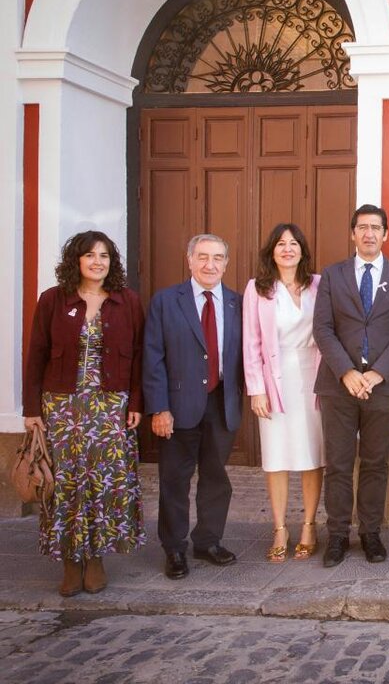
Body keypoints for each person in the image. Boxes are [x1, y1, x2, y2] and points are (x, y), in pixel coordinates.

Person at [23, 232, 146, 596]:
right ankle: (70, 562)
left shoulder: (127, 301)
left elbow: (139, 355)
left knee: (104, 482)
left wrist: (136, 403)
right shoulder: (53, 299)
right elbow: (37, 353)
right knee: (65, 483)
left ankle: (95, 560)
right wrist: (31, 409)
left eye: (104, 255)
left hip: (110, 406)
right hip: (62, 406)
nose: (97, 262)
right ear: (75, 260)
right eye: (90, 255)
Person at [313, 204, 389, 568]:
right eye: (362, 227)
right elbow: (322, 328)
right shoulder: (333, 275)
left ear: (386, 234)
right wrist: (346, 371)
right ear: (352, 234)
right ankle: (338, 536)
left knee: (375, 463)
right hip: (338, 385)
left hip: (383, 387)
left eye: (376, 227)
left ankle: (371, 533)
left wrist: (376, 374)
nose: (369, 233)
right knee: (338, 464)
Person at [144, 234, 244, 580]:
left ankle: (208, 541)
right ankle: (174, 548)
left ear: (226, 264)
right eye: (202, 257)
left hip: (222, 403)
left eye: (217, 258)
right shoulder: (166, 301)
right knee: (175, 480)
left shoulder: (237, 303)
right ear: (189, 260)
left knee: (216, 478)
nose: (209, 265)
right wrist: (159, 407)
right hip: (178, 406)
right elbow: (153, 357)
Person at [242, 223, 325, 562]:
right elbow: (251, 343)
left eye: (293, 243)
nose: (287, 249)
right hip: (274, 380)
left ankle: (308, 525)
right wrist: (256, 390)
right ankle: (279, 528)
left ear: (303, 250)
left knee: (312, 455)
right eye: (280, 244)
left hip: (314, 377)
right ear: (272, 251)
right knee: (276, 456)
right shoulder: (257, 288)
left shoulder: (318, 284)